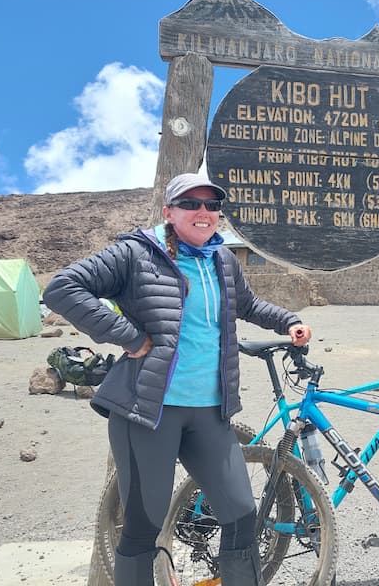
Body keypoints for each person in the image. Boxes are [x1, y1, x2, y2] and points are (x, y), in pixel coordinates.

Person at [43, 172, 311, 586]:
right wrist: (128, 337)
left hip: (209, 412)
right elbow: (63, 287)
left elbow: (247, 304)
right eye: (190, 203)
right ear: (169, 212)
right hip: (148, 413)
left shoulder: (222, 259)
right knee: (143, 527)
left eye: (212, 205)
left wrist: (288, 321)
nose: (203, 212)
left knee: (241, 515)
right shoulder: (136, 253)